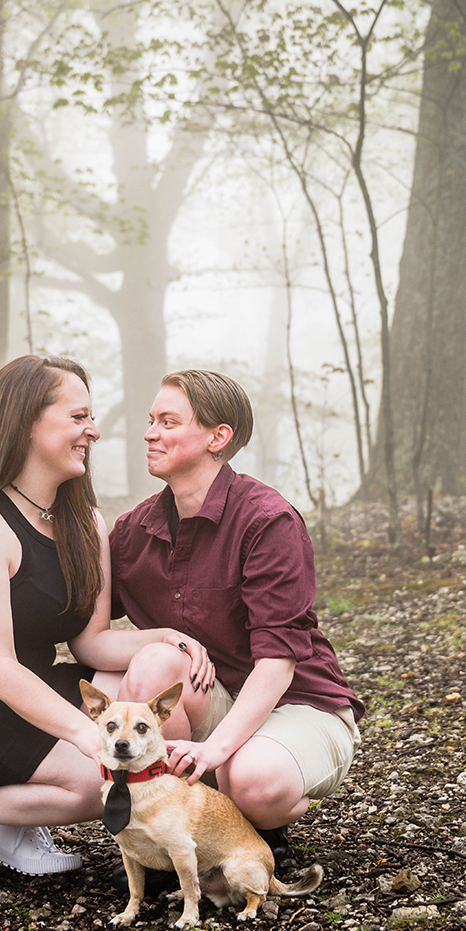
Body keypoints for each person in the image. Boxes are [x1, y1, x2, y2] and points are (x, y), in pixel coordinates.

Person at [0, 355, 207, 893]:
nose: (92, 430)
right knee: (94, 780)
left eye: (91, 417)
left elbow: (90, 643)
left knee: (137, 688)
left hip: (12, 693)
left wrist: (167, 640)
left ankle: (8, 829)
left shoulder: (83, 520)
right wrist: (84, 733)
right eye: (78, 417)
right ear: (27, 421)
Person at [110, 369, 364, 868]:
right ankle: (172, 840)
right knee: (154, 662)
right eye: (150, 420)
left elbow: (277, 662)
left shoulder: (267, 520)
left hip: (299, 704)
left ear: (217, 437)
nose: (149, 432)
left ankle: (255, 826)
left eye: (168, 421)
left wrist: (215, 752)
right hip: (218, 700)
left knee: (251, 781)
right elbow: (82, 627)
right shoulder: (133, 531)